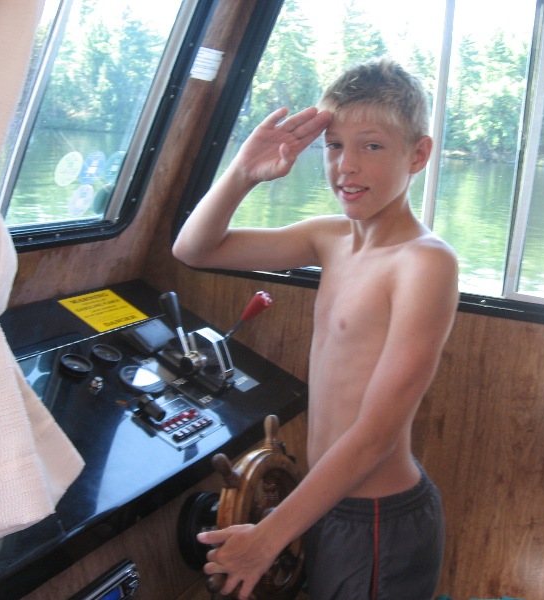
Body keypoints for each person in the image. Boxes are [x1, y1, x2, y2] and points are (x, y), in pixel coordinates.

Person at [173, 57, 459, 600]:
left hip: (378, 519)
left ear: (418, 155)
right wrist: (242, 171)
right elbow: (194, 249)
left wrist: (269, 537)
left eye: (371, 146)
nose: (345, 166)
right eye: (333, 146)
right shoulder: (329, 237)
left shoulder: (425, 262)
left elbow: (377, 434)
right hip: (324, 499)